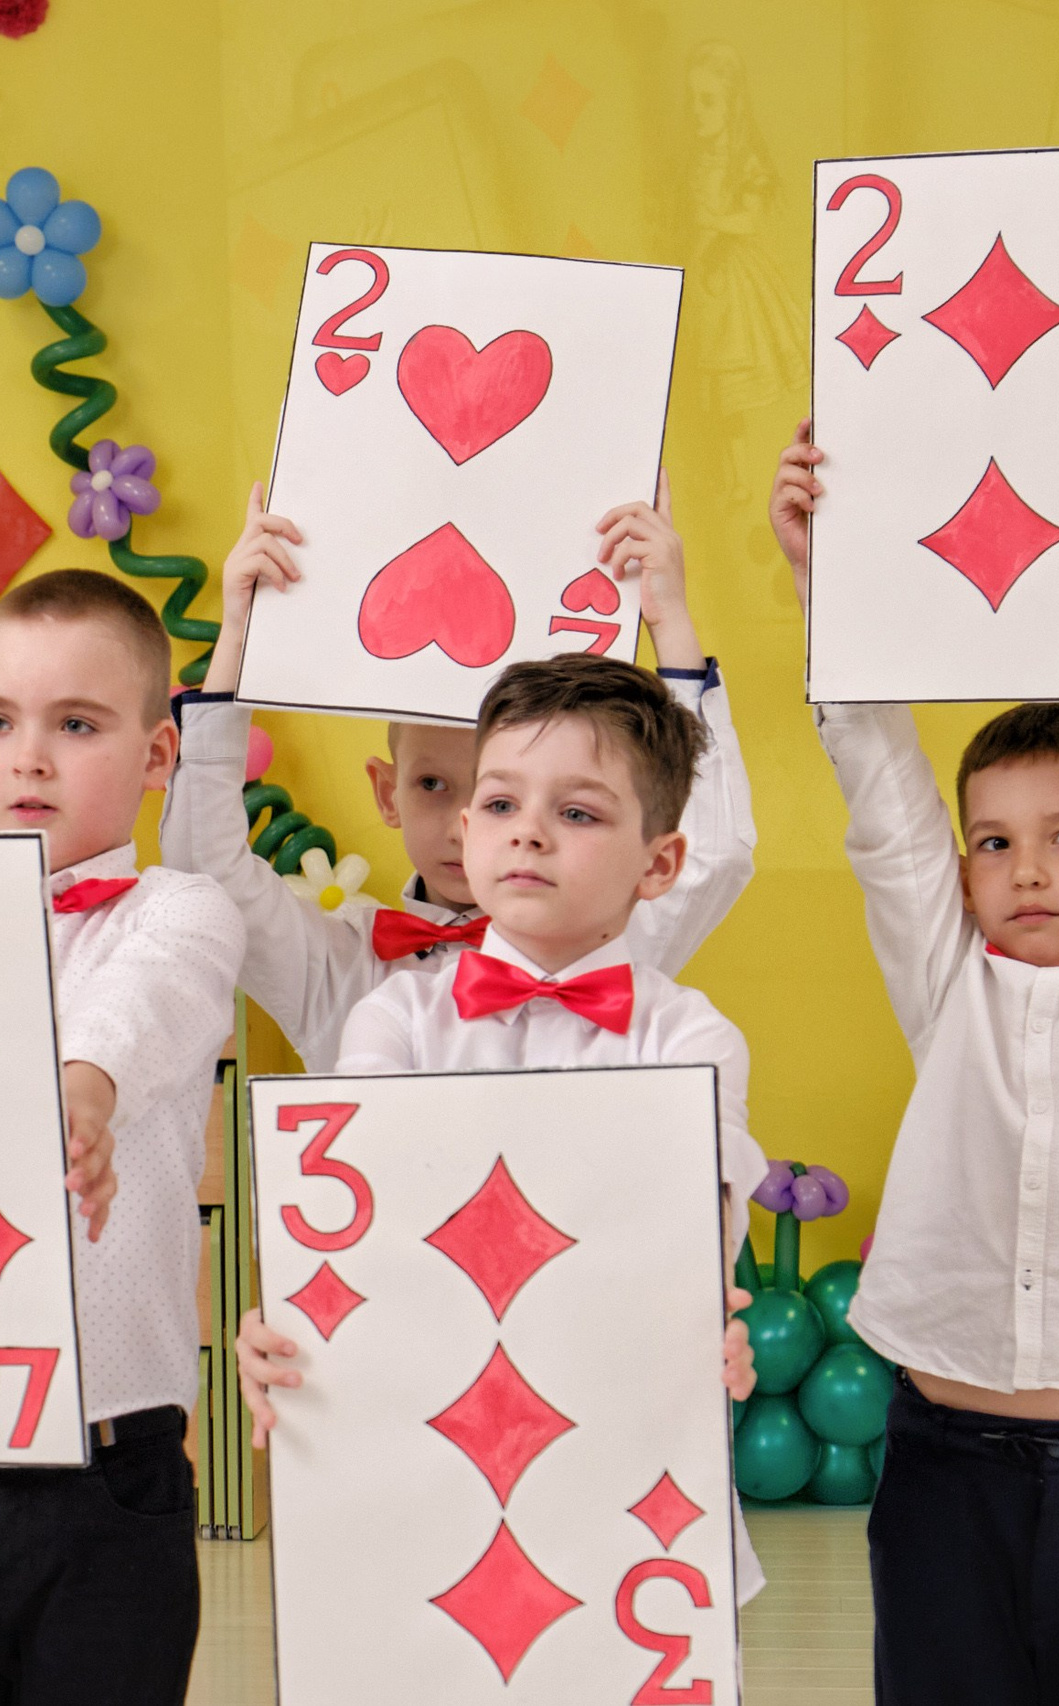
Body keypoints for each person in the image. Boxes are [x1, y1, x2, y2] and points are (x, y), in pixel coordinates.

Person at [771, 420, 1059, 1706]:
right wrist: (831, 585)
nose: (1024, 867)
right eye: (991, 841)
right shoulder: (949, 983)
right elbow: (882, 802)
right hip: (943, 1469)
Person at [234, 652, 767, 1591]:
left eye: (577, 812)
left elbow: (701, 1226)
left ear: (662, 864)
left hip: (626, 1461)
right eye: (500, 803)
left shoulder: (693, 1036)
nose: (527, 835)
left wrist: (701, 1309)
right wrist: (291, 1323)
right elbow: (353, 1229)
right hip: (424, 1447)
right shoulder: (392, 1020)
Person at [0, 568, 244, 1706]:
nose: (28, 756)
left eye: (75, 725)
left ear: (158, 753)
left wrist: (79, 1092)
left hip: (105, 1476)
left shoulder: (179, 909)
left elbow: (142, 1010)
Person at [166, 477, 756, 1070]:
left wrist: (670, 618)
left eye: (568, 808)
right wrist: (240, 633)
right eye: (434, 786)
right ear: (386, 791)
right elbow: (205, 875)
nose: (462, 826)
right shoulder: (338, 960)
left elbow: (714, 851)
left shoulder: (600, 919)